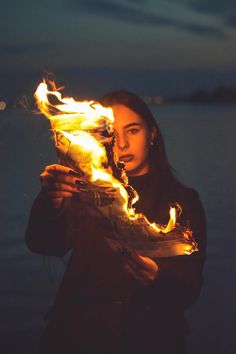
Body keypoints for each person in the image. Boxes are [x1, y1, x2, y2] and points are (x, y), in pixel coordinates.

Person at [25, 90, 207, 354]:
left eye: (132, 130)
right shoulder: (83, 190)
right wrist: (51, 200)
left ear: (152, 134)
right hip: (77, 338)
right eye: (111, 132)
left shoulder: (182, 200)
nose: (121, 143)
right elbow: (44, 244)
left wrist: (158, 276)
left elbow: (190, 287)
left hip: (151, 340)